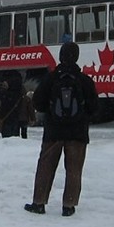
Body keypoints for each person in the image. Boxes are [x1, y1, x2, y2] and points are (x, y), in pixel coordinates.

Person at [24, 41, 99, 217]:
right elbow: (94, 107)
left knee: (46, 167)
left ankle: (39, 202)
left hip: (53, 131)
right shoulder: (84, 80)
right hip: (77, 133)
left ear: (60, 56)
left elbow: (38, 103)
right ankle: (69, 205)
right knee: (74, 169)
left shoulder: (50, 78)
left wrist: (53, 112)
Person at [0, 71, 32, 139]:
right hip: (15, 117)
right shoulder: (20, 91)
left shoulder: (7, 92)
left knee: (8, 138)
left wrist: (3, 86)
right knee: (15, 138)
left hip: (7, 117)